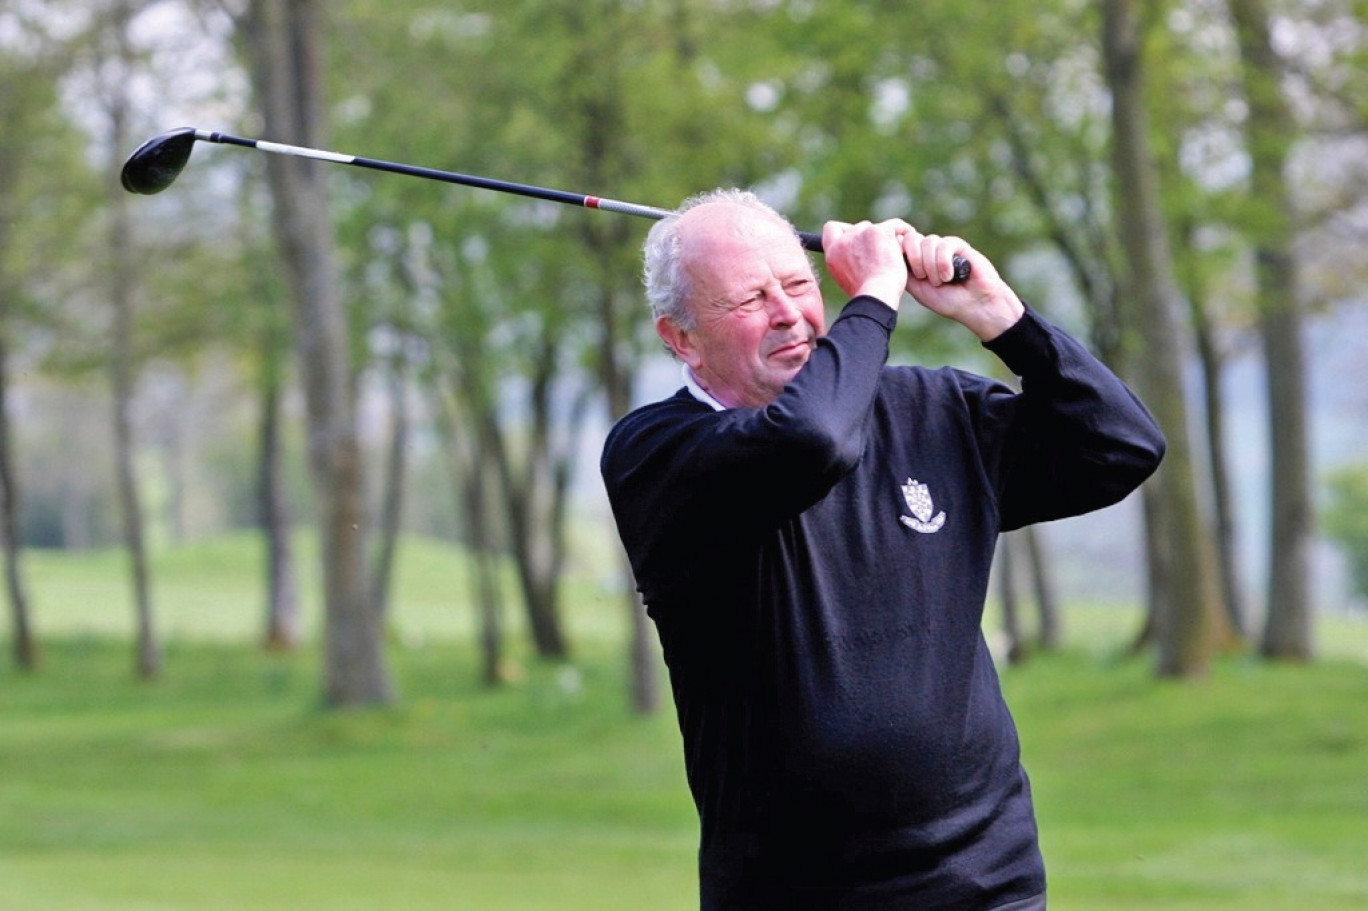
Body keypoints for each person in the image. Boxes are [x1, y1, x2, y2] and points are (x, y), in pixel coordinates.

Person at [600, 188, 1165, 911]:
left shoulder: (933, 411)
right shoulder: (657, 453)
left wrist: (1001, 318)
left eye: (800, 284)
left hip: (985, 883)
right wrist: (876, 293)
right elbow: (813, 440)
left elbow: (1120, 444)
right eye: (750, 300)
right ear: (680, 338)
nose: (788, 312)